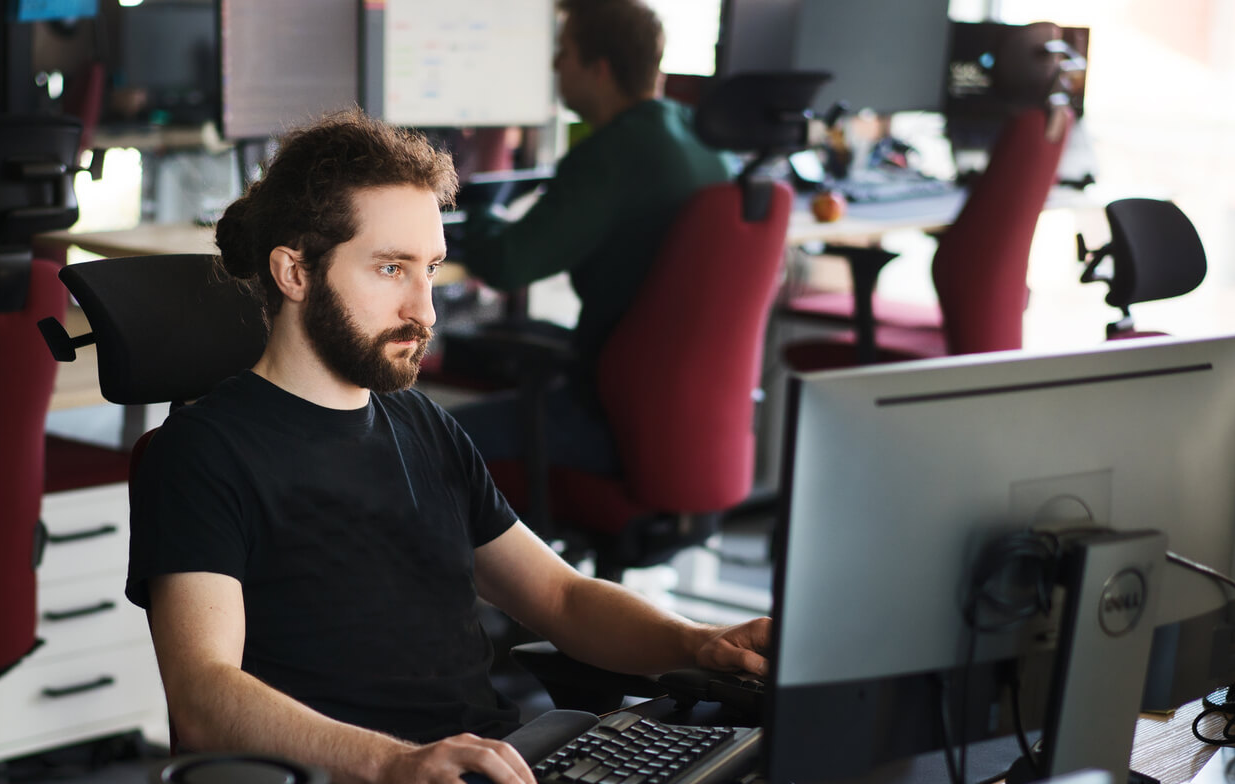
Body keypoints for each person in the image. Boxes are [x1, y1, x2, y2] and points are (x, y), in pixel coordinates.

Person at [126, 111, 771, 784]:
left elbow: (562, 599)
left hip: (490, 764)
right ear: (294, 271)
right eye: (389, 269)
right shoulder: (204, 454)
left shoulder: (423, 425)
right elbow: (203, 694)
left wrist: (697, 642)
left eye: (430, 269)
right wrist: (394, 761)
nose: (425, 310)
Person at [450, 0, 735, 476]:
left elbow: (508, 265)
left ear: (599, 69)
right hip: (678, 417)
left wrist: (476, 212)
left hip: (604, 422)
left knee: (419, 443)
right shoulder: (705, 142)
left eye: (564, 52)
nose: (554, 65)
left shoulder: (610, 155)